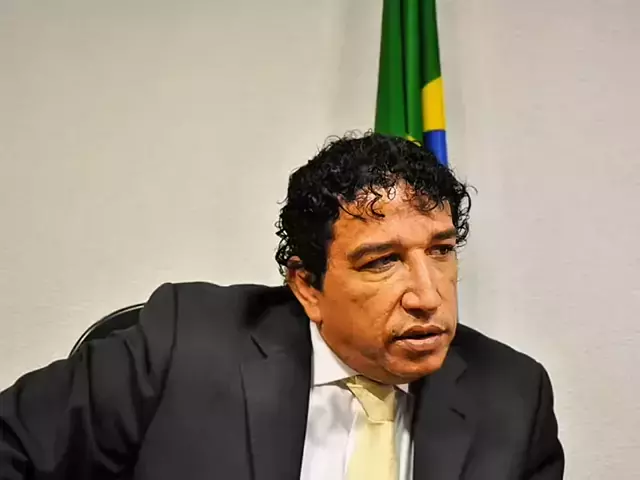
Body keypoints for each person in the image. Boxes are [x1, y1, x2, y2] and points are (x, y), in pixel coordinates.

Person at [0, 132, 564, 480]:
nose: (428, 296)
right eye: (382, 262)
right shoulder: (182, 344)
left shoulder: (514, 396)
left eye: (440, 251)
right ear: (307, 287)